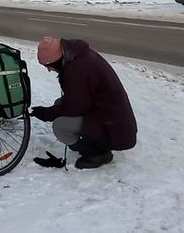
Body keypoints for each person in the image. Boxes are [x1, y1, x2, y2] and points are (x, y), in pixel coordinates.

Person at [30, 36, 137, 169]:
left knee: (60, 126)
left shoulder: (75, 70)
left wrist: (46, 113)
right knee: (59, 103)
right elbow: (76, 100)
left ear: (56, 60)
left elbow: (74, 107)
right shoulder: (78, 56)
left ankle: (98, 153)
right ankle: (96, 144)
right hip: (110, 115)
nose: (49, 70)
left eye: (48, 65)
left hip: (113, 126)